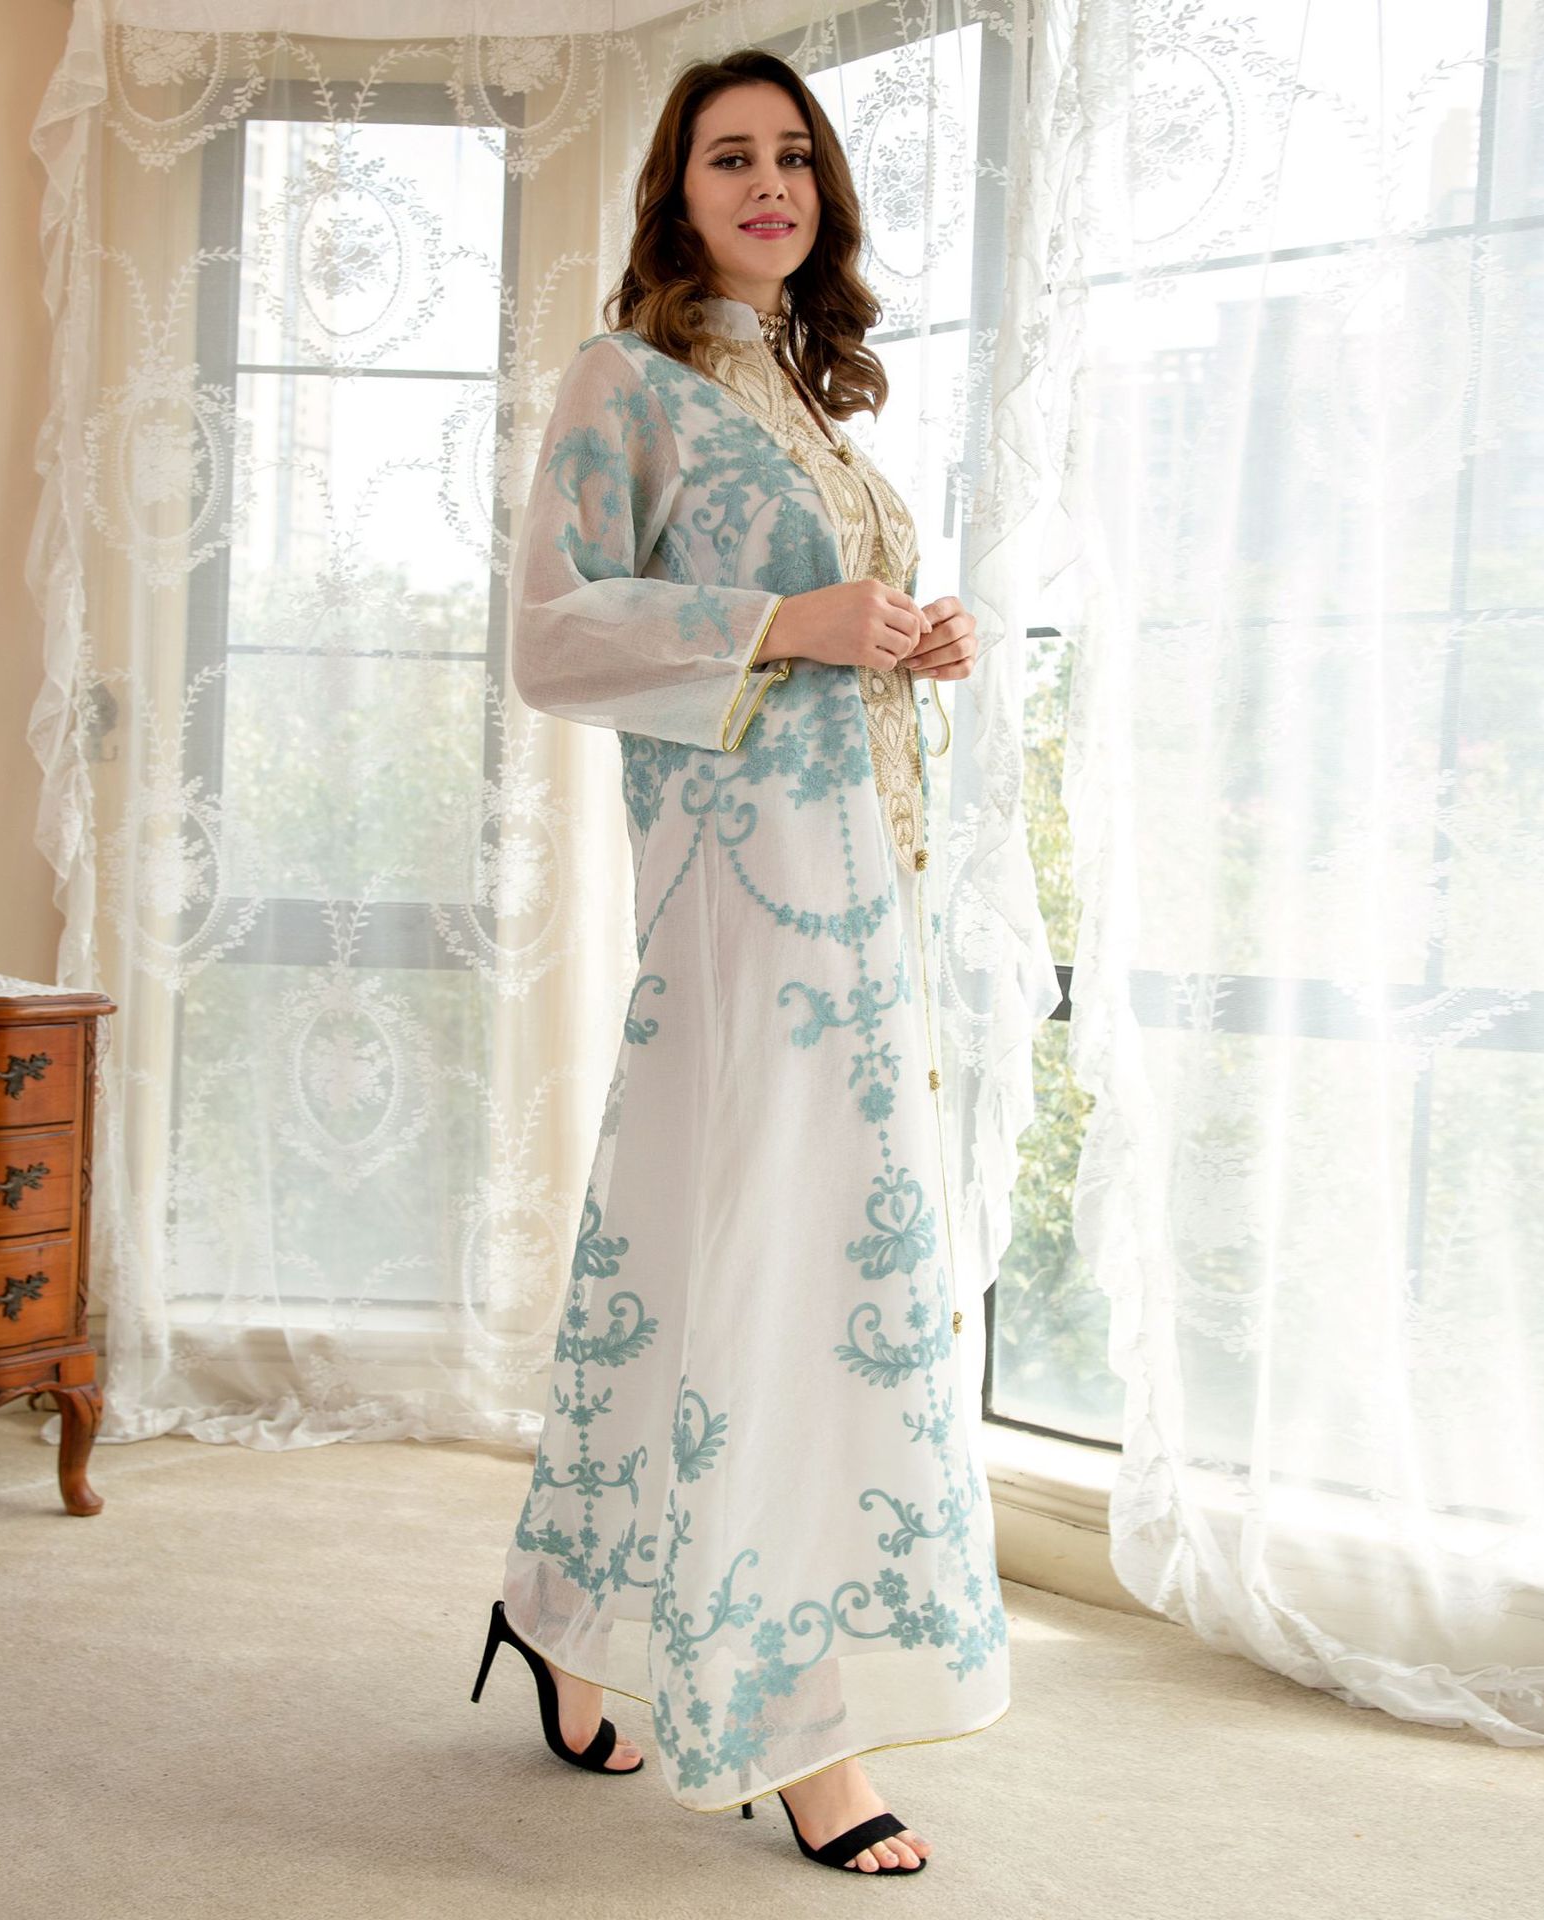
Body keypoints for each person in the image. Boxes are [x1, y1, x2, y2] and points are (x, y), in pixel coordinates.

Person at [472, 47, 1000, 1877]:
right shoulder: (625, 381)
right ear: (676, 191)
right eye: (729, 157)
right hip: (738, 894)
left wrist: (902, 637)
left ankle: (563, 1606)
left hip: (857, 890)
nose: (768, 183)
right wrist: (790, 619)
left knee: (700, 1258)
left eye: (793, 157)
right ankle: (801, 1726)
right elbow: (553, 635)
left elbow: (820, 638)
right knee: (779, 1273)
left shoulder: (811, 397)